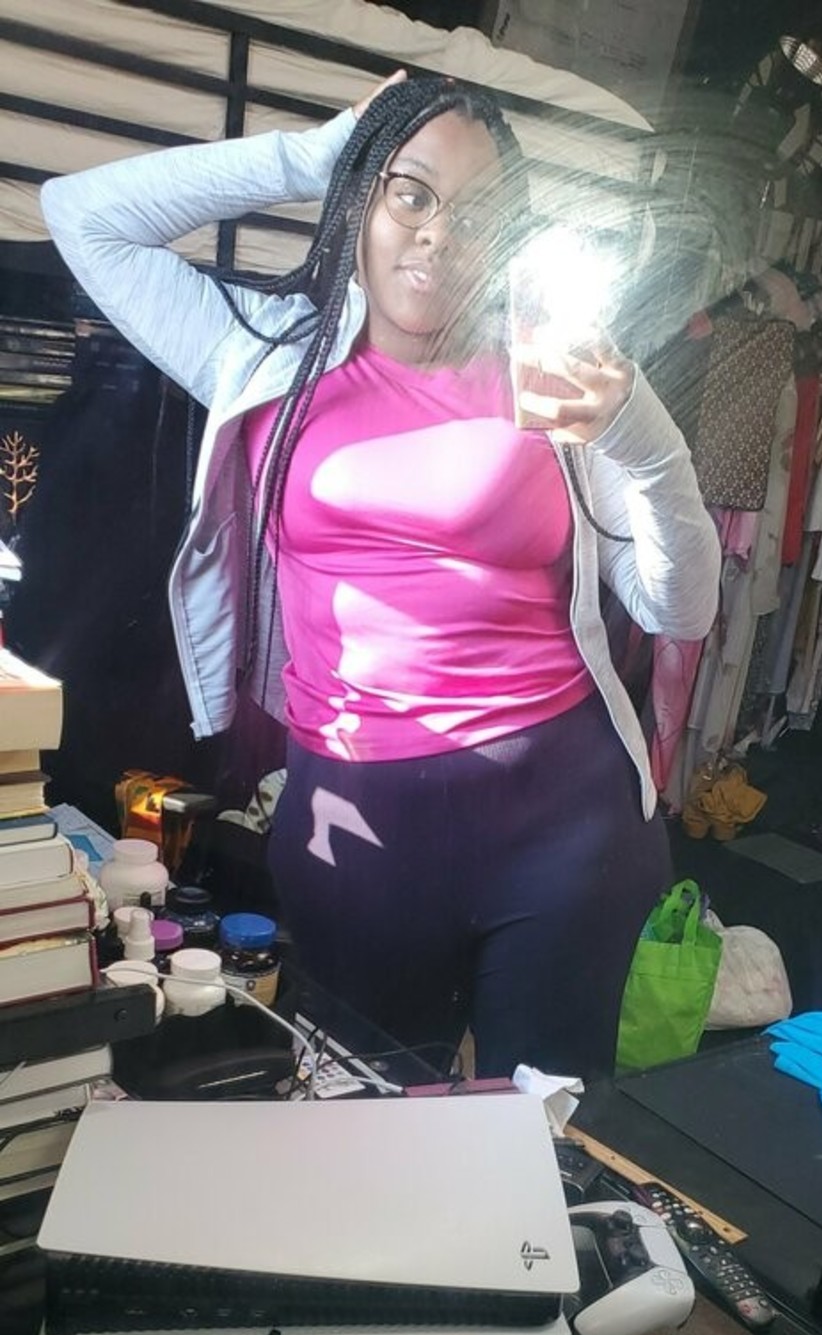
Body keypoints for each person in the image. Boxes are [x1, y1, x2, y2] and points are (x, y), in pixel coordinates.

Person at [41, 71, 721, 1079]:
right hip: (354, 824)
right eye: (410, 193)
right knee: (365, 1110)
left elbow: (683, 606)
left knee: (541, 1133)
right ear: (361, 200)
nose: (438, 234)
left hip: (566, 826)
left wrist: (643, 443)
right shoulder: (264, 354)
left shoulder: (558, 371)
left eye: (476, 214)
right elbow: (81, 215)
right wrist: (318, 151)